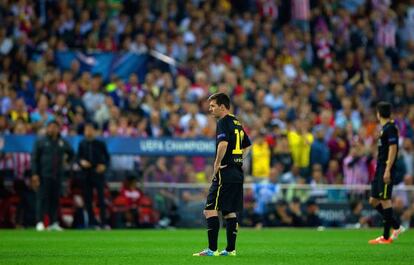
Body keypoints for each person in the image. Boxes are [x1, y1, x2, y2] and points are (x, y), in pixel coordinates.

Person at [193, 93, 251, 257]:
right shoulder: (236, 122)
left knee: (209, 209)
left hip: (225, 172)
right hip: (237, 172)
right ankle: (231, 250)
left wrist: (216, 164)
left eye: (212, 105)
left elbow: (223, 144)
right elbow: (247, 146)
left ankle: (211, 250)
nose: (210, 108)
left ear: (222, 106)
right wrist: (237, 160)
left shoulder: (224, 122)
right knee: (228, 211)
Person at [368, 102, 405, 244]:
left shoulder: (390, 128)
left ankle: (386, 237)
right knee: (373, 200)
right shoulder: (384, 129)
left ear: (378, 113)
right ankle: (396, 226)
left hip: (385, 168)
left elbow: (393, 148)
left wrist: (388, 169)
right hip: (380, 168)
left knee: (385, 199)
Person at [31, 121, 74, 231]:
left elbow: (72, 154)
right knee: (42, 199)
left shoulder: (62, 142)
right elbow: (34, 159)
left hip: (57, 175)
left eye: (54, 127)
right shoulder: (41, 142)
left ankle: (53, 222)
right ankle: (39, 222)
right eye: (49, 127)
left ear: (58, 129)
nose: (51, 129)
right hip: (43, 175)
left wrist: (67, 161)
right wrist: (35, 174)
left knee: (55, 200)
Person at [77, 122, 110, 229]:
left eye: (90, 129)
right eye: (86, 130)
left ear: (94, 131)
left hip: (98, 174)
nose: (88, 132)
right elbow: (78, 158)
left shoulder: (100, 144)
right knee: (88, 199)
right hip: (86, 175)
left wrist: (104, 166)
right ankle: (92, 223)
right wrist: (81, 162)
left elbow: (107, 158)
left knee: (101, 199)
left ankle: (103, 222)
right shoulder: (82, 144)